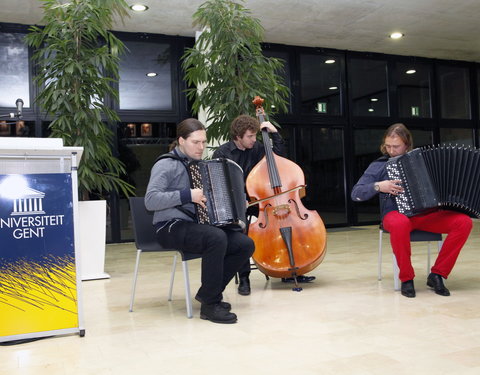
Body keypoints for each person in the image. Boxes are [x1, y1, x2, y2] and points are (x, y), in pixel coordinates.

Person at [145, 118, 255, 323]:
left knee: (244, 243)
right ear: (181, 141)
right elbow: (150, 200)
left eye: (204, 142)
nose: (201, 147)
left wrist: (237, 203)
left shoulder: (203, 166)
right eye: (196, 142)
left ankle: (208, 294)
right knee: (216, 237)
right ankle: (210, 305)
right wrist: (187, 195)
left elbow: (212, 199)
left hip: (195, 226)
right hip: (169, 226)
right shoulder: (166, 165)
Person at [351, 123, 472, 298]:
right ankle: (407, 278)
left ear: (407, 145)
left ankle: (437, 274)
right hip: (394, 215)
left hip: (426, 215)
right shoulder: (378, 165)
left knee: (463, 222)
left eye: (396, 146)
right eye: (388, 146)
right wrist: (379, 186)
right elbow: (356, 193)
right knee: (400, 223)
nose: (391, 150)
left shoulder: (424, 161)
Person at [212, 114, 315, 295]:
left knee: (283, 221)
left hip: (261, 200)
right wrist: (237, 199)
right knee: (241, 231)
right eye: (250, 136)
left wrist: (275, 134)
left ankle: (289, 268)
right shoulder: (222, 153)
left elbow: (280, 159)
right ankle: (244, 278)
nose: (253, 140)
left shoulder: (258, 148)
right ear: (238, 137)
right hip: (239, 202)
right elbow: (219, 185)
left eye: (254, 135)